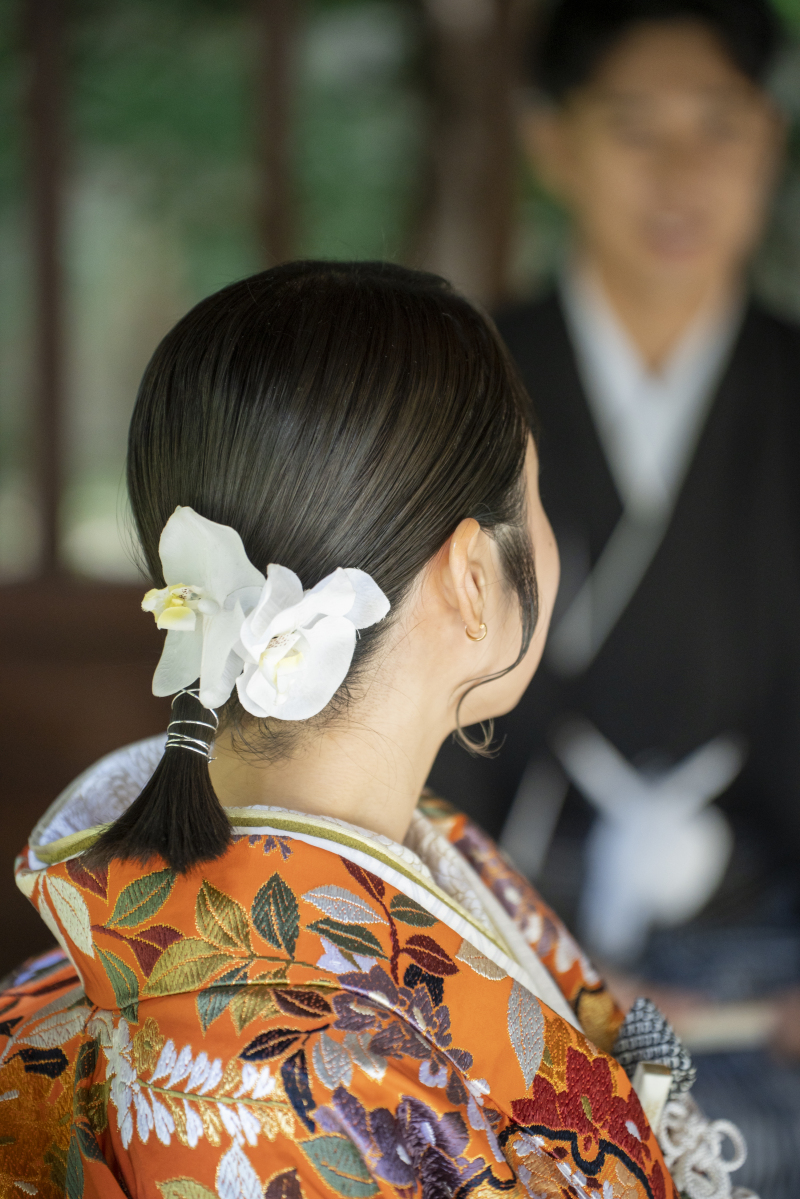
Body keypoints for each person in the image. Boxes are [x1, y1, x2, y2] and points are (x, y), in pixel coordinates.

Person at [0, 261, 714, 1197]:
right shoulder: (304, 1087)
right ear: (470, 576)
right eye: (534, 495)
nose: (548, 534)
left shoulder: (421, 847)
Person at [429, 2, 800, 1193]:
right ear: (553, 146)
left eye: (719, 129)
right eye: (636, 129)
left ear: (770, 143)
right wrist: (495, 945)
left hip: (768, 953)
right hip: (507, 928)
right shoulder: (459, 385)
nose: (681, 173)